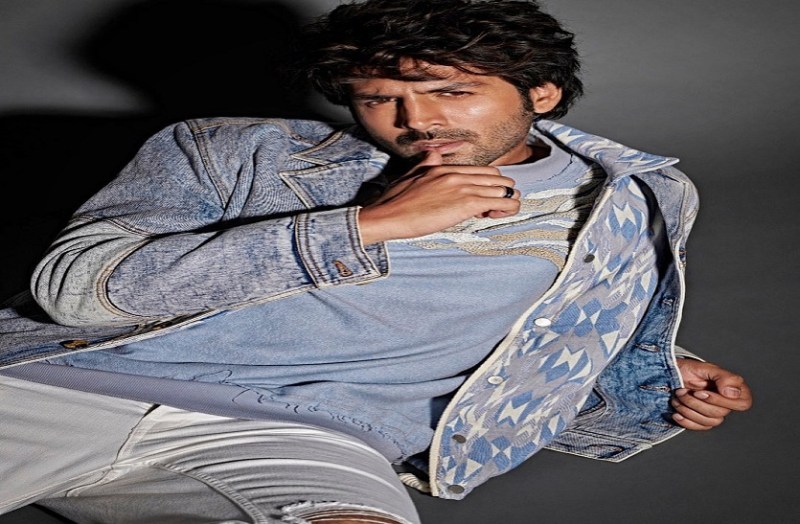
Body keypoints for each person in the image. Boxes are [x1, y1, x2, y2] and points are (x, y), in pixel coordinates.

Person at [0, 0, 752, 523]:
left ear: (542, 92)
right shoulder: (232, 150)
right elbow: (79, 291)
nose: (416, 120)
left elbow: (557, 320)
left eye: (452, 91)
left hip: (306, 436)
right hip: (58, 385)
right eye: (377, 98)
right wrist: (368, 225)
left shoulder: (635, 200)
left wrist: (660, 369)